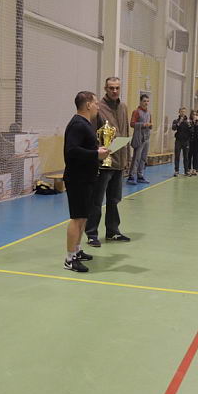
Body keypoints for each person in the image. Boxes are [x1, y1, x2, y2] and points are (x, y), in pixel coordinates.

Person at [63, 91, 110, 272]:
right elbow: (71, 150)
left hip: (86, 178)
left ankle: (77, 250)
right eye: (96, 103)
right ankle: (69, 259)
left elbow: (84, 148)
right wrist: (96, 154)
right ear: (88, 104)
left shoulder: (85, 124)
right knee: (76, 218)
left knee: (83, 217)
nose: (98, 106)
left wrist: (98, 150)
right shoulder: (78, 124)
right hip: (77, 179)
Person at [86, 77, 131, 247]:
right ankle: (92, 234)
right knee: (96, 201)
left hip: (119, 162)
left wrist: (127, 158)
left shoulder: (123, 107)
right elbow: (92, 134)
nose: (114, 91)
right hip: (103, 163)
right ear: (105, 88)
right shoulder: (98, 108)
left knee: (114, 200)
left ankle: (112, 231)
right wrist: (97, 153)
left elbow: (125, 132)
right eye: (111, 88)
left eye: (117, 88)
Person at [127, 93, 152, 185]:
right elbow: (132, 124)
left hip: (147, 138)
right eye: (144, 101)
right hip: (139, 137)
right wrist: (143, 124)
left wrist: (150, 126)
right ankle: (131, 176)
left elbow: (150, 123)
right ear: (140, 102)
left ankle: (140, 175)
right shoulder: (136, 112)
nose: (146, 103)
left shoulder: (149, 113)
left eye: (147, 101)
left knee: (143, 158)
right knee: (136, 158)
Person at [172, 107, 192, 177]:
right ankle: (176, 171)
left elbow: (192, 130)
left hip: (186, 141)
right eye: (181, 111)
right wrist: (179, 122)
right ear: (179, 112)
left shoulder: (188, 121)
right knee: (177, 156)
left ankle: (186, 171)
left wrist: (189, 125)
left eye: (184, 111)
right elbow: (173, 128)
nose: (183, 113)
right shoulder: (176, 121)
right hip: (178, 141)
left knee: (186, 156)